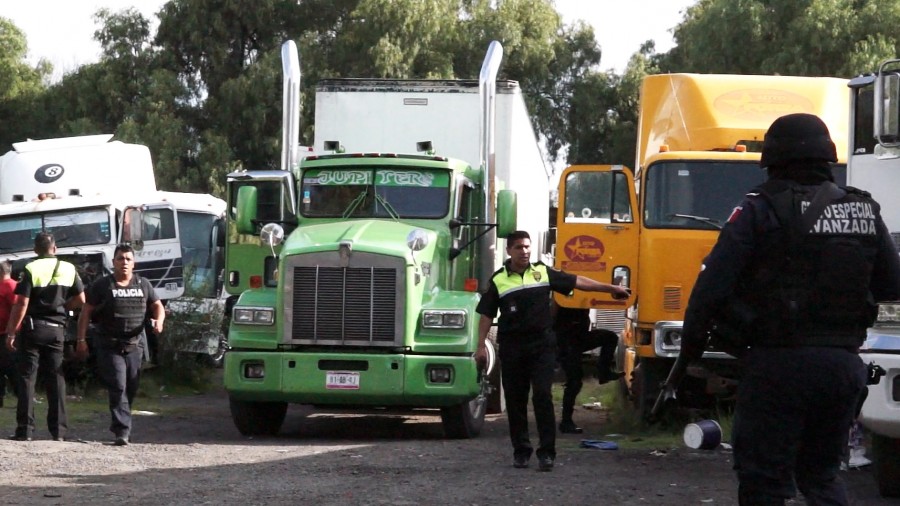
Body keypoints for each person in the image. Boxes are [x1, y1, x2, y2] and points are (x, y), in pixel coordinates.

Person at [665, 113, 900, 505]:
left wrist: (686, 356)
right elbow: (891, 286)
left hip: (777, 365)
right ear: (827, 157)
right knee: (822, 476)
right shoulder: (863, 210)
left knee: (764, 481)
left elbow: (710, 289)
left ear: (773, 159)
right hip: (842, 367)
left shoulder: (759, 208)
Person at [474, 230, 630, 472]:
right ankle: (521, 451)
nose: (524, 251)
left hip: (542, 346)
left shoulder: (542, 272)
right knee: (516, 400)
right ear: (509, 251)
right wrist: (480, 346)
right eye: (519, 247)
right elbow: (486, 315)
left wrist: (608, 288)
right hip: (513, 348)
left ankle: (546, 453)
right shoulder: (498, 280)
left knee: (542, 396)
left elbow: (577, 281)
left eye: (527, 247)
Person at [77, 244, 164, 446]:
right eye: (120, 258)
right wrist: (81, 340)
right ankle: (122, 431)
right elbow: (86, 312)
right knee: (118, 385)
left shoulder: (143, 284)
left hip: (135, 345)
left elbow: (157, 305)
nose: (124, 262)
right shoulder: (102, 285)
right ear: (113, 262)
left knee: (130, 387)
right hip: (109, 345)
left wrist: (159, 321)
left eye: (128, 259)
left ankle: (122, 420)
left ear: (133, 263)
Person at [5, 232, 85, 441]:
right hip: (57, 330)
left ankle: (25, 430)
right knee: (56, 377)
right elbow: (81, 299)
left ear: (35, 250)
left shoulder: (30, 268)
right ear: (55, 248)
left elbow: (21, 303)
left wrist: (12, 331)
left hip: (33, 329)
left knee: (27, 378)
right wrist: (64, 307)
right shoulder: (69, 268)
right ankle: (59, 431)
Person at [553, 304, 623, 434]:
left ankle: (604, 372)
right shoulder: (563, 298)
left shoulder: (584, 297)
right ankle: (566, 422)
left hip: (580, 337)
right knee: (574, 382)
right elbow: (554, 311)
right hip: (565, 341)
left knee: (610, 337)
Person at [0, 261, 20, 407]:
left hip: (6, 333)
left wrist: (12, 330)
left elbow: (17, 308)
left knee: (12, 367)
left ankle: (22, 395)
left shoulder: (11, 286)